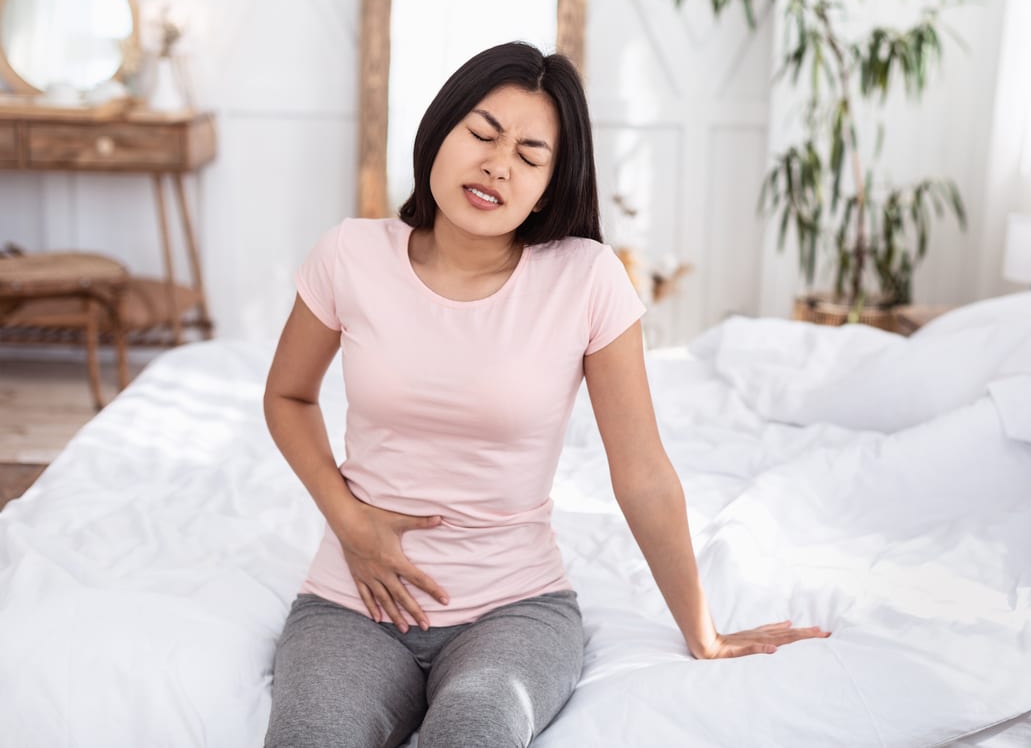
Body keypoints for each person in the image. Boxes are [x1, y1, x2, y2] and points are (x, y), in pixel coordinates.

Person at [262, 41, 830, 748]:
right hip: (351, 602)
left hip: (514, 610)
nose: (498, 165)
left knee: (474, 731)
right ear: (440, 130)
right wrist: (348, 521)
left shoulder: (586, 278)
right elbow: (287, 396)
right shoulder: (350, 254)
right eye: (482, 133)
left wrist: (703, 633)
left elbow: (644, 472)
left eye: (531, 156)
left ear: (550, 184)